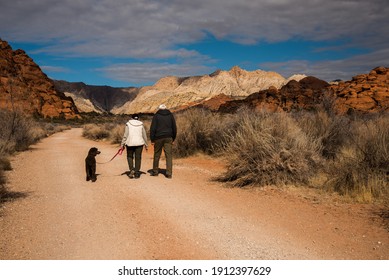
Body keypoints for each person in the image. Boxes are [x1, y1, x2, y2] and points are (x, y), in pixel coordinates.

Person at [150, 104, 177, 178]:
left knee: (157, 155)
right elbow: (174, 127)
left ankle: (155, 172)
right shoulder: (170, 115)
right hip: (169, 137)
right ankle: (169, 173)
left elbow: (153, 128)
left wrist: (152, 139)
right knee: (169, 156)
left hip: (158, 138)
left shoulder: (156, 116)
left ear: (159, 109)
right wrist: (173, 138)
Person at [121, 114, 148, 179]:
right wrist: (146, 144)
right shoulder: (141, 124)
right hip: (139, 143)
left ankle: (132, 169)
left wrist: (122, 144)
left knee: (130, 156)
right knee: (138, 158)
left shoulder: (128, 124)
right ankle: (137, 173)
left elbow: (126, 135)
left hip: (130, 143)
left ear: (132, 118)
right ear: (138, 118)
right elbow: (144, 135)